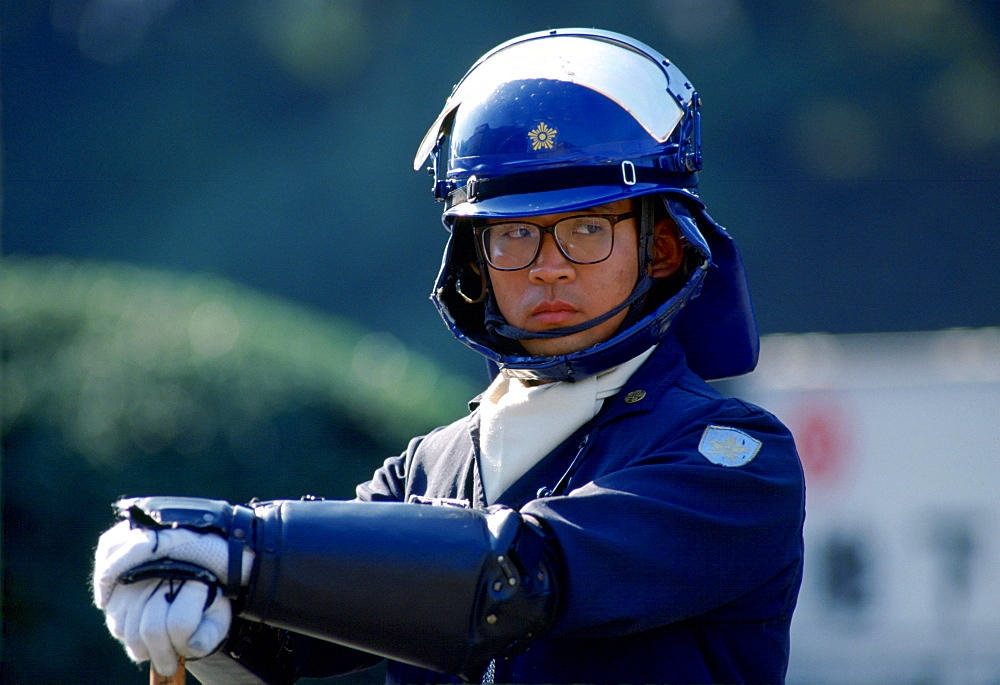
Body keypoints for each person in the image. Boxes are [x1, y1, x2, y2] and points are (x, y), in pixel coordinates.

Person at [93, 28, 805, 685]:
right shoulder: (426, 468)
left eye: (587, 227)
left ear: (660, 245)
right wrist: (206, 616)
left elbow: (519, 575)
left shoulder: (733, 460)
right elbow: (292, 635)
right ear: (476, 258)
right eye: (512, 234)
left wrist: (246, 548)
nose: (548, 267)